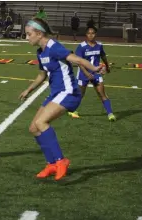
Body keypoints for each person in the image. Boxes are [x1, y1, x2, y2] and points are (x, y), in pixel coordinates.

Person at [19, 18, 105, 181]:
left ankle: (61, 160)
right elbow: (41, 75)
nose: (27, 37)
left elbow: (77, 60)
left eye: (29, 34)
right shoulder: (41, 52)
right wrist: (28, 90)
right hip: (56, 93)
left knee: (41, 123)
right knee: (33, 128)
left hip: (69, 92)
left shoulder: (54, 47)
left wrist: (95, 68)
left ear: (39, 33)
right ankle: (51, 164)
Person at [68, 25, 116, 121]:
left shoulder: (99, 45)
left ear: (96, 34)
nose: (91, 35)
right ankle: (71, 110)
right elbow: (79, 62)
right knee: (80, 95)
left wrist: (107, 66)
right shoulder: (81, 46)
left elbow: (103, 55)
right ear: (86, 35)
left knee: (102, 93)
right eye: (89, 33)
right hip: (83, 74)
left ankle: (110, 114)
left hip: (96, 73)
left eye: (93, 33)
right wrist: (86, 73)